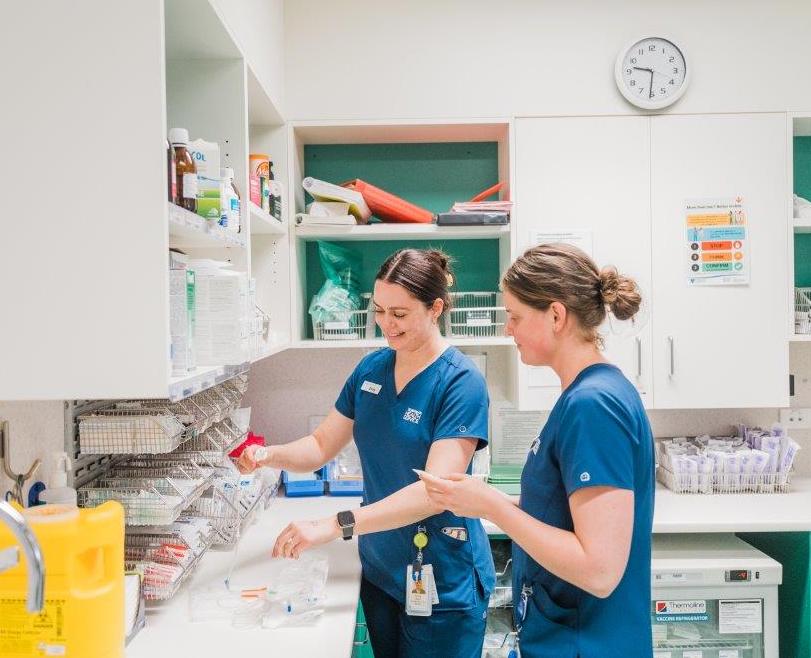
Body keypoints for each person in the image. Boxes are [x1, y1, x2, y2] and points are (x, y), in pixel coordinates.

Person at [236, 248, 494, 658]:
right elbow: (321, 445)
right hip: (381, 568)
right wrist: (269, 455)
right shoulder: (371, 370)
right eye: (379, 310)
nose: (386, 324)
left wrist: (334, 525)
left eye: (400, 313)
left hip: (442, 575)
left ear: (436, 309)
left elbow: (434, 492)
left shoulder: (460, 383)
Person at [418, 243, 655, 658]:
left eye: (515, 317)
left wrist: (493, 508)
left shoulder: (592, 405)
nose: (508, 329)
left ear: (557, 316)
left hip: (587, 643)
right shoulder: (588, 393)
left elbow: (599, 570)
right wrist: (482, 500)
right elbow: (564, 507)